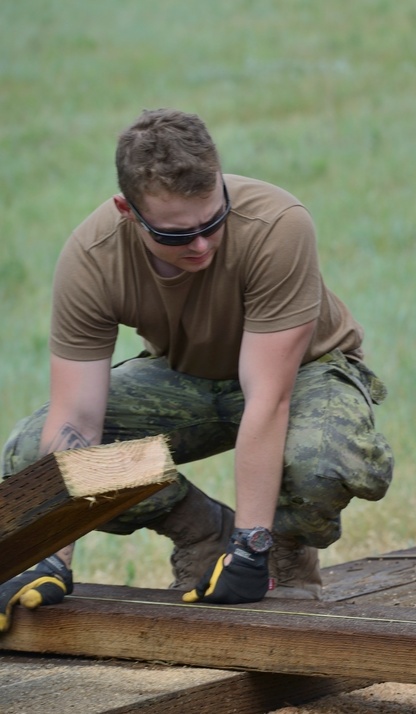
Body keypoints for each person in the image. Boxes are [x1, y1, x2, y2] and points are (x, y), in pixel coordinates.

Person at [0, 109, 394, 629]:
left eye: (212, 222)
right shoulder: (93, 257)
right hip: (186, 378)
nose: (202, 244)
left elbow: (267, 398)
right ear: (127, 210)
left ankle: (284, 552)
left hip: (305, 375)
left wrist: (252, 547)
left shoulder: (277, 225)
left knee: (320, 461)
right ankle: (202, 531)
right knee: (31, 452)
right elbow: (76, 416)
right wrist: (50, 552)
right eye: (178, 235)